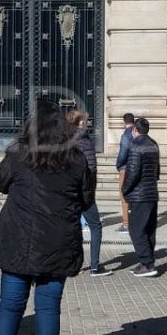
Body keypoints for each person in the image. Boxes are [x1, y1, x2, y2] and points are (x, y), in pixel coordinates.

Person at [0, 101, 95, 335]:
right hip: (58, 244)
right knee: (48, 309)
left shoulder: (19, 153)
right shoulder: (76, 158)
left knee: (10, 308)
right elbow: (86, 199)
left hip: (19, 243)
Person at [67, 110, 108, 277]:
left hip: (71, 192)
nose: (86, 123)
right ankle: (95, 266)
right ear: (77, 123)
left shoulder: (67, 140)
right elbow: (90, 169)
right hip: (85, 193)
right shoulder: (83, 141)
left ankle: (72, 266)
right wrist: (89, 191)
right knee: (96, 226)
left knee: (73, 228)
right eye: (84, 121)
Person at [121, 118, 161, 278]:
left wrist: (125, 189)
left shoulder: (136, 145)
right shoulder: (154, 144)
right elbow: (157, 170)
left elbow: (132, 172)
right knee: (149, 229)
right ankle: (146, 261)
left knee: (136, 230)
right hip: (151, 192)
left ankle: (147, 262)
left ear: (135, 130)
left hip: (139, 195)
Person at [114, 112, 135, 233]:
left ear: (124, 122)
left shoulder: (126, 135)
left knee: (124, 195)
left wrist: (118, 165)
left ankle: (126, 223)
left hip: (126, 168)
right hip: (136, 168)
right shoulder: (138, 132)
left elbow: (123, 153)